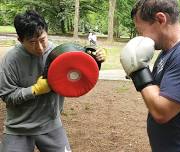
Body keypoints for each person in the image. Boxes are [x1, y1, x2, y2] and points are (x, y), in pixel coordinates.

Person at [0, 10, 106, 152]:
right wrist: (34, 90)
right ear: (20, 39)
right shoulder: (10, 60)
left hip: (51, 125)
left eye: (42, 39)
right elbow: (7, 96)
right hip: (19, 128)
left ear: (46, 33)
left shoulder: (59, 53)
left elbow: (82, 71)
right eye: (32, 42)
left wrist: (97, 59)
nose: (40, 47)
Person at [120, 0, 180, 151]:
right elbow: (156, 91)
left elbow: (161, 111)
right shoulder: (167, 52)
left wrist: (137, 70)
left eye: (141, 31)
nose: (141, 37)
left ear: (160, 19)